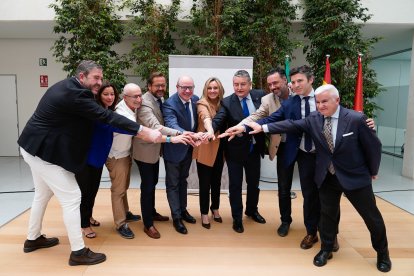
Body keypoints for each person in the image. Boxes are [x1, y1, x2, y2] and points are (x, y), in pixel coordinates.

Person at [18, 60, 162, 266]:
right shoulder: (77, 94)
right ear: (82, 76)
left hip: (34, 146)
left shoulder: (68, 86)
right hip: (41, 151)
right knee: (73, 197)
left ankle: (32, 239)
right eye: (96, 78)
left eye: (101, 78)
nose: (99, 82)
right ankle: (78, 252)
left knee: (42, 194)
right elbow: (105, 117)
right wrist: (144, 131)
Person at [245, 84, 391, 273]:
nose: (321, 106)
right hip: (327, 176)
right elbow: (291, 124)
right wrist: (263, 127)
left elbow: (373, 146)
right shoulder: (314, 119)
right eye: (318, 102)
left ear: (336, 101)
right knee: (327, 216)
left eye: (325, 102)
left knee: (371, 217)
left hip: (354, 176)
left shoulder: (356, 119)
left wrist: (373, 170)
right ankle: (326, 248)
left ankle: (382, 253)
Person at [228, 68, 294, 236]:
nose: (272, 87)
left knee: (311, 190)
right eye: (270, 84)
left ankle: (315, 227)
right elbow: (258, 115)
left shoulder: (299, 94)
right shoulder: (267, 99)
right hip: (282, 146)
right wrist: (241, 126)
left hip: (305, 146)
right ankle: (285, 221)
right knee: (283, 187)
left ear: (285, 80)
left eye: (276, 83)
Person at [132, 72, 192, 239]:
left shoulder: (159, 100)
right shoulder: (144, 104)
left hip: (155, 149)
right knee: (148, 187)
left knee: (153, 182)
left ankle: (152, 213)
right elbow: (156, 127)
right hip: (145, 151)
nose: (160, 88)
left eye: (163, 85)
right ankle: (148, 224)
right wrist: (180, 133)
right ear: (149, 86)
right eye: (157, 85)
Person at [75, 82, 135, 239]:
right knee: (86, 192)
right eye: (105, 94)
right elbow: (113, 127)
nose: (110, 97)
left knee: (92, 190)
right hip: (87, 158)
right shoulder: (98, 112)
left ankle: (87, 217)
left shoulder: (108, 110)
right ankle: (84, 225)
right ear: (98, 96)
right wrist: (138, 130)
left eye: (112, 94)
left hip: (98, 157)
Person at [212, 70, 267, 233]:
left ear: (250, 84)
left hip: (254, 148)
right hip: (235, 151)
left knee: (253, 183)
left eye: (243, 84)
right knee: (235, 185)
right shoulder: (227, 102)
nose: (239, 88)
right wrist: (210, 130)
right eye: (236, 84)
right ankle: (237, 218)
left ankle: (251, 210)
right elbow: (219, 119)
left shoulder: (261, 96)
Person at [163, 75, 202, 235]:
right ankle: (176, 217)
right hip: (174, 149)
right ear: (177, 87)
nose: (187, 91)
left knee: (183, 181)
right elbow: (171, 123)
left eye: (190, 87)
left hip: (188, 149)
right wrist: (184, 133)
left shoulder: (196, 99)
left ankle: (183, 210)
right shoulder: (169, 104)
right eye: (184, 87)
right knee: (173, 184)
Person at [106, 83, 145, 239]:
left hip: (125, 153)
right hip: (117, 156)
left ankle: (126, 212)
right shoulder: (123, 114)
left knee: (124, 186)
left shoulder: (128, 107)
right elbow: (141, 133)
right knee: (118, 190)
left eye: (140, 95)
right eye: (135, 96)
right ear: (124, 97)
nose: (139, 99)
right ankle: (120, 223)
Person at [193, 77, 226, 229]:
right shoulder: (202, 103)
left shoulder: (224, 104)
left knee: (217, 182)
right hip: (206, 148)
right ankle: (204, 213)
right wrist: (210, 128)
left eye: (215, 88)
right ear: (205, 90)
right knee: (205, 183)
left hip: (220, 149)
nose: (212, 91)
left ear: (220, 90)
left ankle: (215, 208)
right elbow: (205, 117)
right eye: (209, 88)